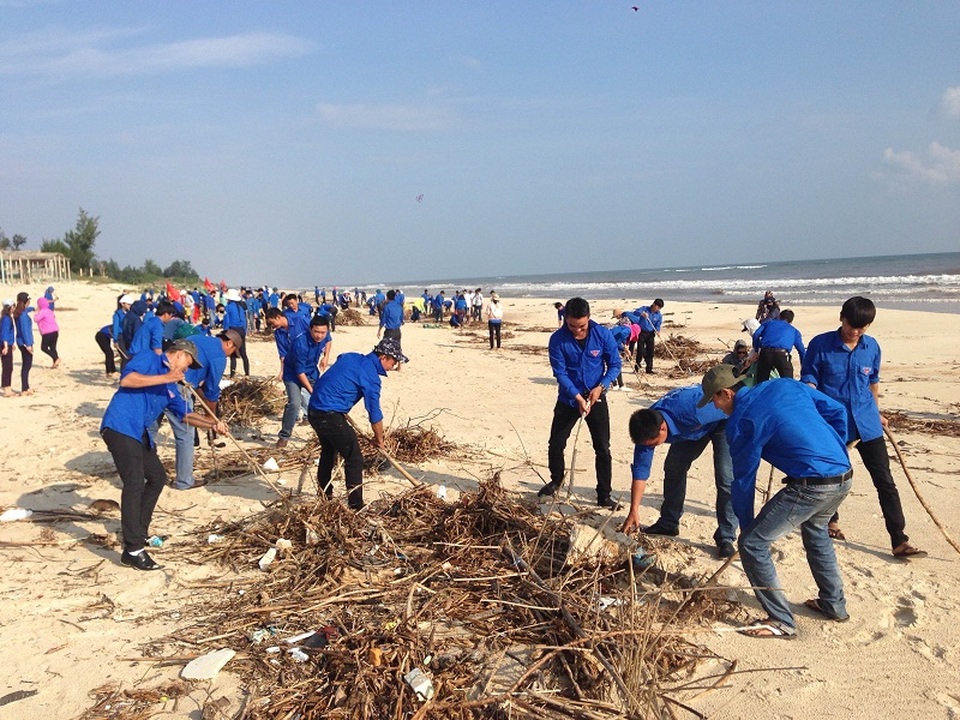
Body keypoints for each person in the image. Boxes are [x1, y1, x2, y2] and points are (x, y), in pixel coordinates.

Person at [699, 364, 853, 638]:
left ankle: (781, 621)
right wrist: (835, 451)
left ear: (727, 393)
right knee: (816, 531)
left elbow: (743, 480)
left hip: (813, 485)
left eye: (714, 400)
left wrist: (747, 528)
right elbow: (838, 411)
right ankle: (833, 604)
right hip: (844, 474)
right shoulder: (785, 384)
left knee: (753, 544)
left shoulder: (741, 421)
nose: (715, 406)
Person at [800, 296, 926, 558]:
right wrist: (808, 406)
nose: (855, 332)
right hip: (832, 423)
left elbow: (873, 382)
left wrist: (876, 412)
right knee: (832, 477)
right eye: (851, 326)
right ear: (841, 318)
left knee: (885, 481)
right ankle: (831, 521)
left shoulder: (872, 347)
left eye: (862, 327)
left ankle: (899, 539)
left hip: (867, 423)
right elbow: (810, 378)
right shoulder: (820, 345)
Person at [101, 339, 227, 570]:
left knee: (157, 477)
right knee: (134, 482)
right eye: (187, 364)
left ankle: (139, 531)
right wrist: (167, 377)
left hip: (139, 433)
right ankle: (133, 549)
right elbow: (127, 380)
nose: (186, 370)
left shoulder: (171, 388)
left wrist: (213, 424)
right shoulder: (149, 358)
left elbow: (185, 415)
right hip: (119, 426)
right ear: (179, 354)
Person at [620, 386, 738, 558]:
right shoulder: (646, 428)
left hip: (722, 421)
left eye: (654, 444)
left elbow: (733, 405)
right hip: (690, 431)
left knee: (725, 477)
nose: (650, 448)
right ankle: (669, 523)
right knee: (674, 467)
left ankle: (726, 537)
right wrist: (634, 509)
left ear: (663, 429)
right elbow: (640, 472)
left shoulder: (693, 410)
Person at [306, 337, 408, 509]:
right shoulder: (371, 378)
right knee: (354, 458)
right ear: (383, 357)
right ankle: (356, 505)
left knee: (328, 451)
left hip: (314, 409)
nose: (393, 366)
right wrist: (379, 439)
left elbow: (340, 360)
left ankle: (325, 495)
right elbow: (374, 413)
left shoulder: (351, 356)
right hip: (329, 414)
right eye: (393, 362)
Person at [540, 297, 622, 508]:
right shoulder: (557, 340)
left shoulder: (602, 334)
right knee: (556, 443)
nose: (577, 330)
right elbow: (560, 373)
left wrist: (601, 387)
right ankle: (556, 481)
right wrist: (577, 397)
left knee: (602, 447)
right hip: (569, 399)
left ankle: (604, 494)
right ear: (565, 319)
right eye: (572, 326)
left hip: (596, 397)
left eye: (582, 326)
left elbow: (614, 365)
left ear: (589, 318)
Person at [167, 330, 241, 490]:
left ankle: (143, 472)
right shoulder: (219, 356)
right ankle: (184, 481)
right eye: (232, 352)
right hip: (179, 386)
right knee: (185, 435)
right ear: (229, 343)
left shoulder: (198, 338)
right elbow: (212, 389)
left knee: (149, 428)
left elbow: (200, 386)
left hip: (163, 378)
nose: (229, 356)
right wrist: (211, 416)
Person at [277, 316, 332, 448]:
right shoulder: (300, 344)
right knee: (295, 403)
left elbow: (329, 341)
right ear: (310, 329)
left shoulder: (324, 336)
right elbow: (299, 373)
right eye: (316, 332)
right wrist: (312, 391)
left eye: (323, 332)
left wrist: (326, 357)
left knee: (321, 403)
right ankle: (284, 436)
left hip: (312, 371)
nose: (319, 336)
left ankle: (325, 435)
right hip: (293, 375)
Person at [752, 308, 805, 383]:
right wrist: (804, 366)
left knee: (762, 382)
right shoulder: (794, 331)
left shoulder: (768, 323)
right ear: (791, 321)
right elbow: (801, 350)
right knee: (788, 383)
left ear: (779, 316)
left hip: (765, 353)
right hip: (782, 355)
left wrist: (757, 349)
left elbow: (756, 334)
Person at [622, 299, 664, 374]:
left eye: (659, 308)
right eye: (657, 307)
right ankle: (637, 368)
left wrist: (657, 331)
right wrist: (642, 313)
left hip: (651, 334)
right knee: (640, 350)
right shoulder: (645, 309)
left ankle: (649, 369)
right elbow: (635, 312)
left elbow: (658, 324)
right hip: (642, 332)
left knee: (650, 351)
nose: (658, 309)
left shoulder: (658, 315)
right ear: (654, 304)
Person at [223, 289, 250, 377]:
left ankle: (232, 374)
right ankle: (247, 373)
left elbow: (226, 321)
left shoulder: (228, 307)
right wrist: (244, 331)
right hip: (241, 330)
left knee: (233, 353)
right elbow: (244, 320)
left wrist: (225, 332)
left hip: (233, 330)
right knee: (243, 353)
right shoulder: (240, 307)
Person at [13, 292, 34, 396]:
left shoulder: (18, 312)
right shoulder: (23, 316)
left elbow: (26, 309)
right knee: (27, 365)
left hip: (21, 342)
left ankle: (26, 387)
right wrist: (28, 344)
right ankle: (24, 388)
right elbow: (25, 331)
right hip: (25, 343)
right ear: (25, 302)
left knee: (26, 365)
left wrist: (32, 308)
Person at [34, 296, 60, 368]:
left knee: (44, 348)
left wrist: (36, 313)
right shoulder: (49, 311)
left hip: (48, 332)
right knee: (53, 348)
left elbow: (36, 319)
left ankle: (56, 358)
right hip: (55, 331)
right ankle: (55, 362)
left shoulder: (42, 312)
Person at [1, 299, 15, 397]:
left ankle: (7, 387)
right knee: (7, 367)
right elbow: (4, 333)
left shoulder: (6, 318)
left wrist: (12, 343)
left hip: (7, 344)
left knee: (8, 367)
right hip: (5, 345)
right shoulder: (6, 319)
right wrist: (6, 346)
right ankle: (6, 389)